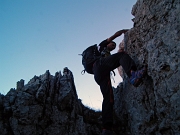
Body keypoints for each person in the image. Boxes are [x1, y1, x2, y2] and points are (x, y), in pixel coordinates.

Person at [92, 29, 147, 135]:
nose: (113, 46)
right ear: (108, 44)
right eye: (112, 45)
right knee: (122, 56)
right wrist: (122, 32)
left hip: (100, 74)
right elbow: (114, 36)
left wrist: (120, 52)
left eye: (114, 46)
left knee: (109, 98)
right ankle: (133, 75)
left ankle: (106, 128)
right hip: (99, 66)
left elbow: (115, 60)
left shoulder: (106, 54)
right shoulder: (102, 45)